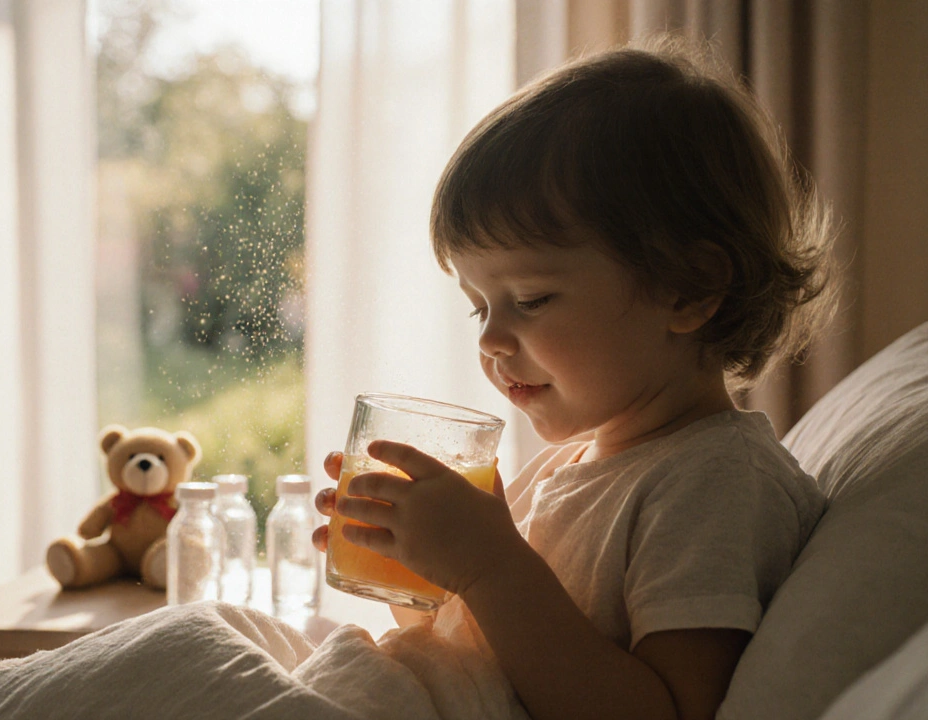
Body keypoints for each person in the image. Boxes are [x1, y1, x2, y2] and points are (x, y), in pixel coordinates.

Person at [311, 37, 834, 720]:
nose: (491, 339)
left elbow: (665, 712)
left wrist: (491, 566)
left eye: (530, 300)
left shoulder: (714, 483)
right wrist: (416, 570)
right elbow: (496, 661)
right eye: (479, 305)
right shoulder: (570, 469)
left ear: (688, 289)